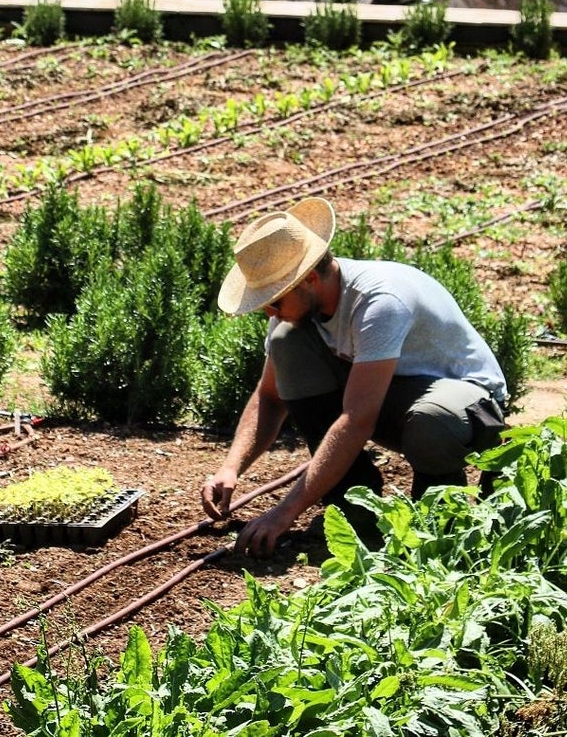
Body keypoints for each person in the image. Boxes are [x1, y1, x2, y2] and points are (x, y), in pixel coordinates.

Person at [200, 196, 507, 557]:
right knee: (287, 343)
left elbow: (357, 420)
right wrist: (231, 467)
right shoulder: (300, 311)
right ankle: (354, 505)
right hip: (387, 398)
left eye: (275, 301)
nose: (269, 311)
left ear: (310, 279)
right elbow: (270, 397)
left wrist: (283, 513)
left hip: (465, 402)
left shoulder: (379, 301)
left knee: (432, 421)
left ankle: (439, 525)